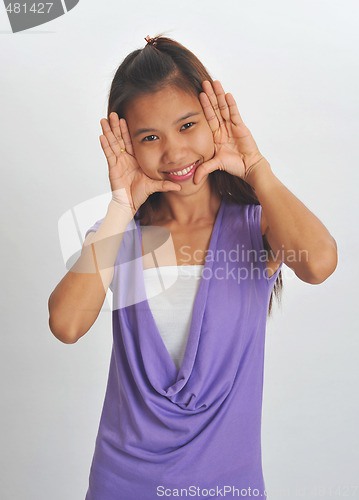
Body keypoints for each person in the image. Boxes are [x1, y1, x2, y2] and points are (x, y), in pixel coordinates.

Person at [48, 35, 338, 499]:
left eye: (187, 125)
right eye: (149, 137)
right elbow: (65, 325)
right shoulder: (119, 233)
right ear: (128, 144)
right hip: (124, 484)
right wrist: (122, 205)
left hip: (230, 485)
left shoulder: (258, 223)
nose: (175, 153)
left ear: (215, 120)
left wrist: (255, 165)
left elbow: (320, 263)